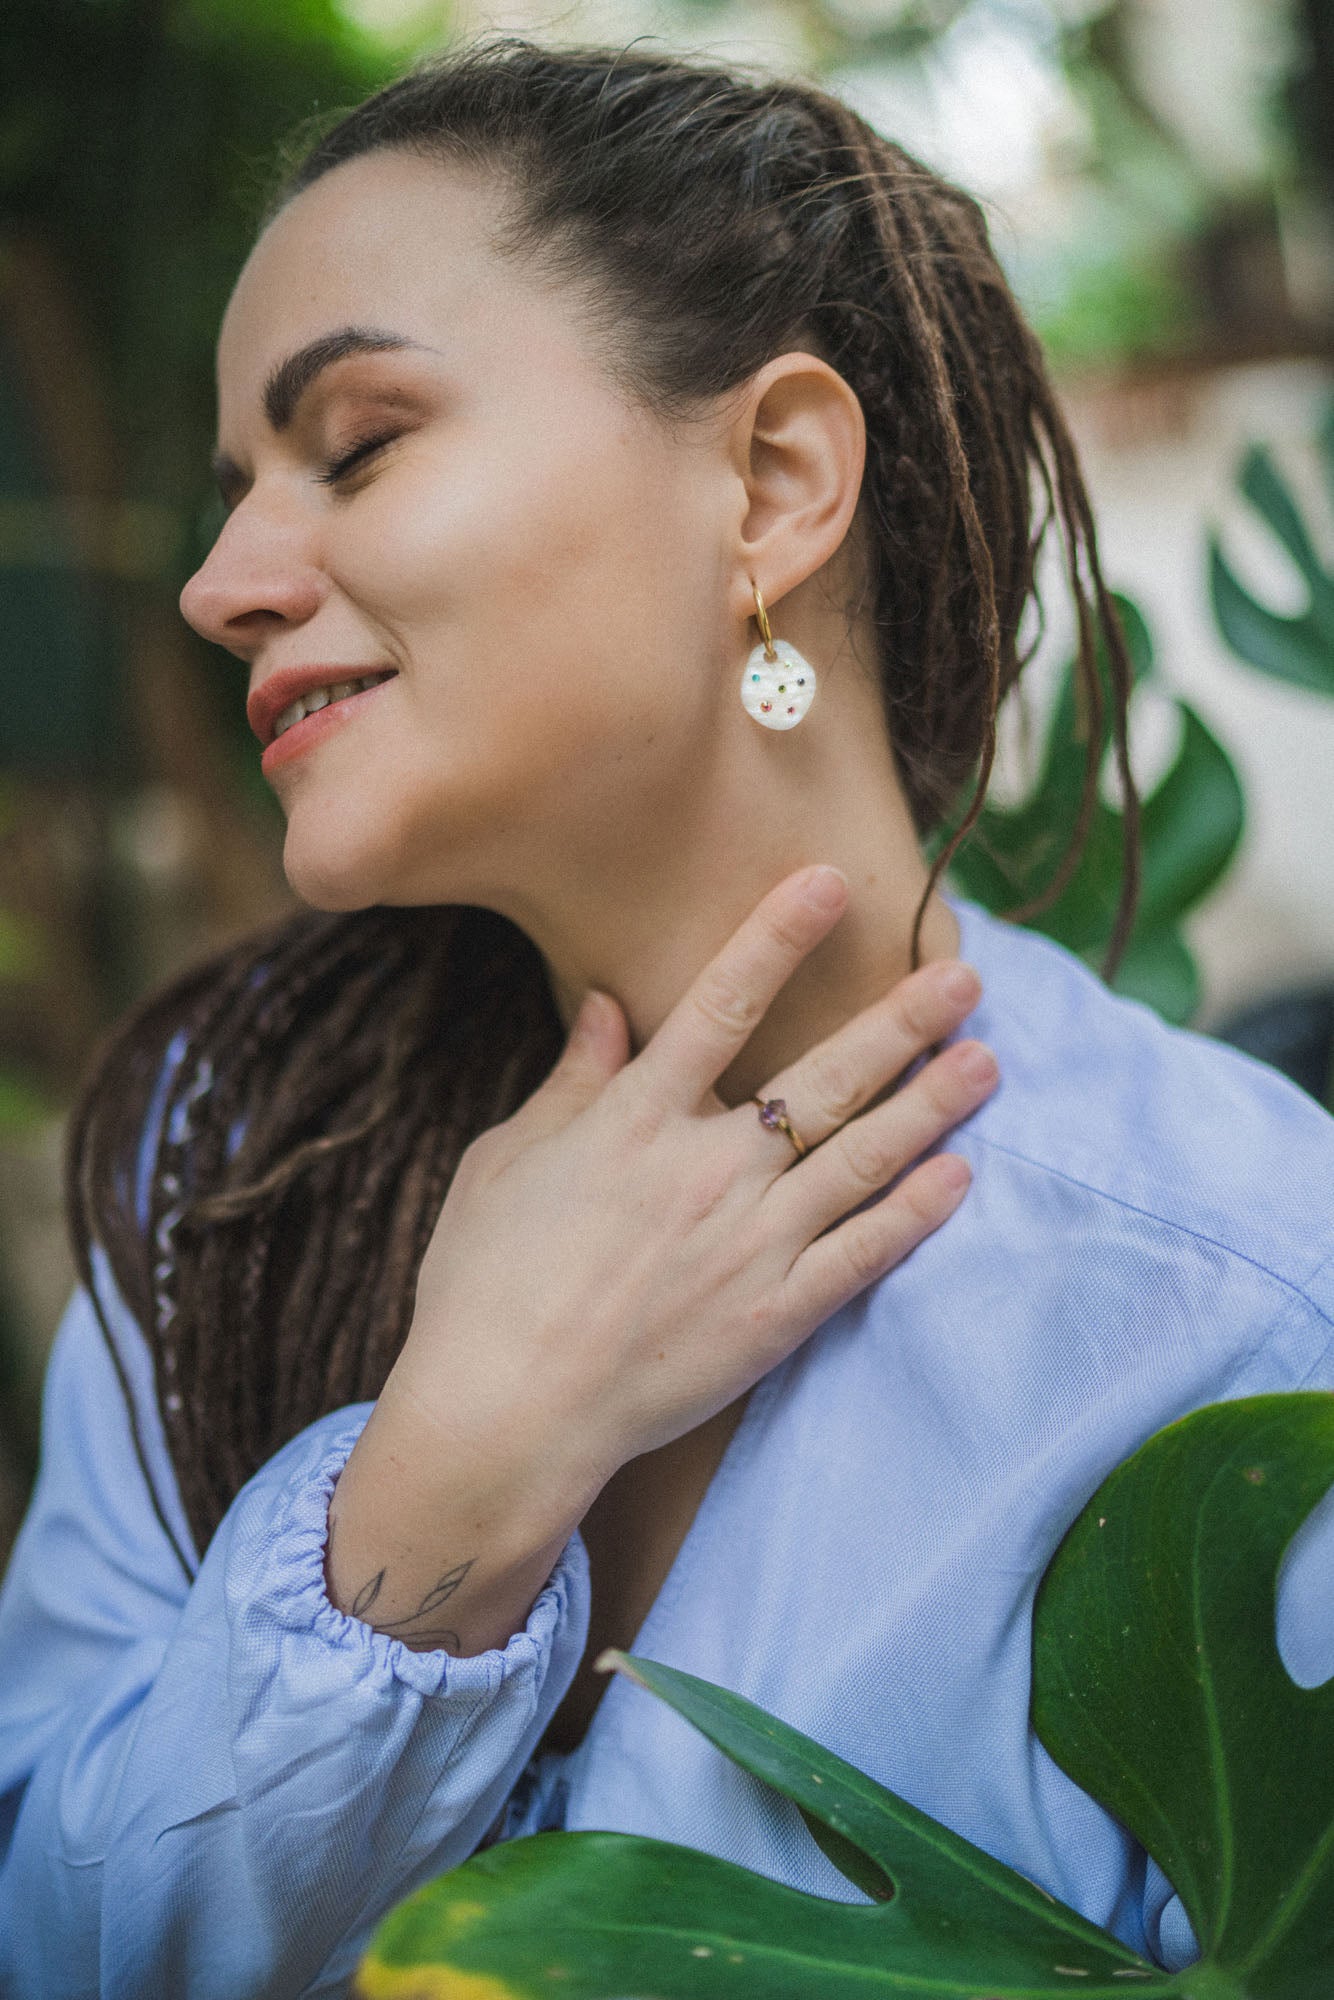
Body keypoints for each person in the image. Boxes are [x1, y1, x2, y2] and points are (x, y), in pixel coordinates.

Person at [1, 36, 1331, 2000]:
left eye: (355, 444)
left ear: (773, 481)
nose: (220, 584)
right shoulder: (222, 1163)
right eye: (233, 494)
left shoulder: (1242, 1305)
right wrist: (448, 1483)